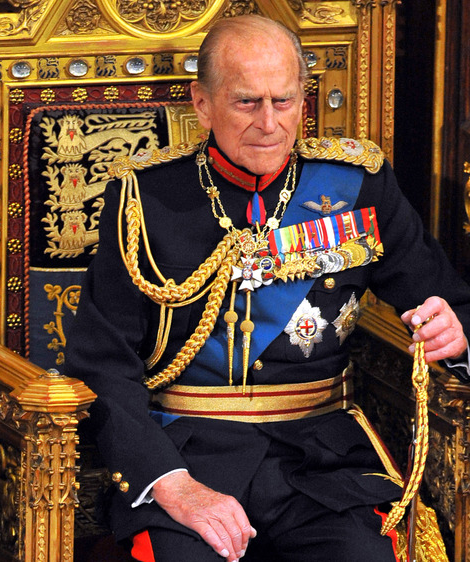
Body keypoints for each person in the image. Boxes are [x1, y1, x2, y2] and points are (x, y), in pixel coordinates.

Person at [65, 14, 470, 562]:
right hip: (189, 452)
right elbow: (102, 363)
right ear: (202, 104)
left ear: (304, 100)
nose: (269, 123)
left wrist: (455, 332)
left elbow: (450, 302)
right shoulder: (144, 200)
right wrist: (171, 483)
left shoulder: (357, 183)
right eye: (246, 102)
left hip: (322, 460)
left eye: (284, 101)